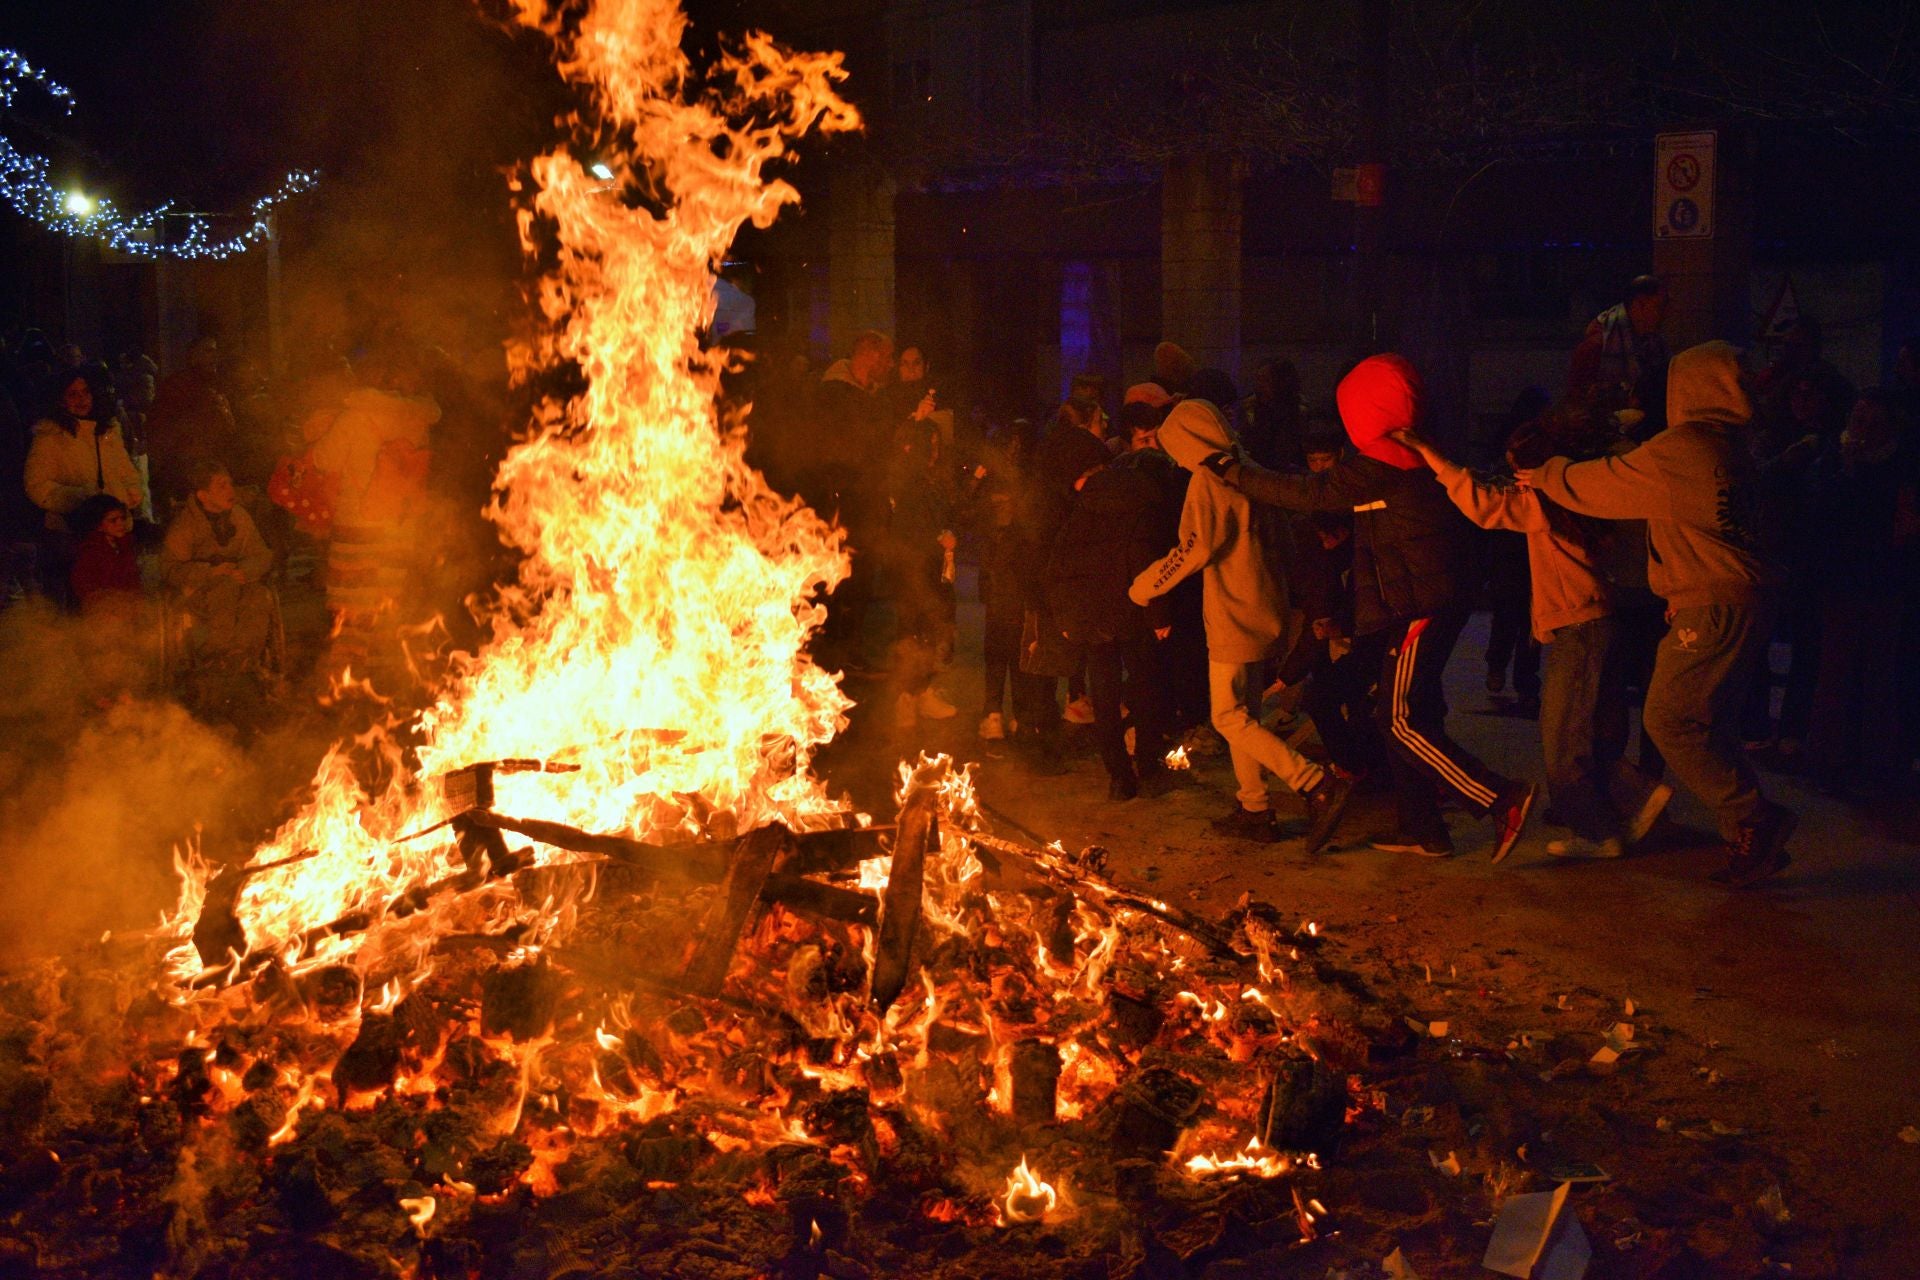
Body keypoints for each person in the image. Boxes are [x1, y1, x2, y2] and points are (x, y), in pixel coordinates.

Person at [1209, 355, 1538, 862]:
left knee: (1399, 719)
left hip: (1421, 603)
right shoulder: (1404, 451)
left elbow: (1312, 492)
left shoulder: (1387, 458)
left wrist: (1237, 471)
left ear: (1366, 407)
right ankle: (1423, 828)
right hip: (1418, 598)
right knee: (1411, 711)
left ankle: (1500, 799)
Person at [1523, 341, 1795, 887]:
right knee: (1707, 722)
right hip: (1738, 598)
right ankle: (1750, 836)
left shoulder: (1684, 447)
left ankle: (1755, 818)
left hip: (1713, 604)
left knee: (1671, 720)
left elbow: (1604, 486)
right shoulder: (1734, 449)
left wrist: (1548, 472)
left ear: (1687, 389)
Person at [1396, 409, 1672, 859]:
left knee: (1563, 740)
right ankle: (1634, 795)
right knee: (1589, 733)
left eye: (1517, 469)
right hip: (1595, 622)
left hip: (1578, 626)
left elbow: (1485, 505)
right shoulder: (1584, 496)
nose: (1513, 479)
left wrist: (1429, 453)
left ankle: (1600, 833)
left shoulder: (1545, 503)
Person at [1129, 399, 1353, 849]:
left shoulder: (1207, 481)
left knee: (1227, 717)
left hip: (1234, 611)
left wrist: (1147, 585)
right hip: (1265, 607)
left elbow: (1195, 548)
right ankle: (1255, 807)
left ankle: (1313, 783)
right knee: (1246, 715)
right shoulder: (1247, 469)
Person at [1048, 396, 1178, 799]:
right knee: (1145, 687)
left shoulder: (1080, 508)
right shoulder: (1143, 501)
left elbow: (1059, 569)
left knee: (1104, 697)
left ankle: (1119, 776)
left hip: (1092, 618)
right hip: (1134, 611)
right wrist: (1160, 614)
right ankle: (1150, 765)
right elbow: (1148, 561)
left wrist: (1068, 621)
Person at [1800, 391, 1918, 792]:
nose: (1861, 428)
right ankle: (1827, 761)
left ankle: (1876, 763)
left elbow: (1900, 528)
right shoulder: (1835, 460)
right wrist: (1845, 471)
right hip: (1841, 581)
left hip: (1885, 581)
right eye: (1858, 418)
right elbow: (1819, 516)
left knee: (1879, 674)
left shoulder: (1902, 466)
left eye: (1872, 421)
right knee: (1835, 670)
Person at [811, 331, 897, 671]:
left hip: (865, 507)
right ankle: (830, 656)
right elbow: (836, 454)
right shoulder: (833, 395)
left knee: (859, 583)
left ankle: (850, 652)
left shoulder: (871, 397)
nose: (889, 365)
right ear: (870, 356)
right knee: (837, 582)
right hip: (842, 508)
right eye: (887, 358)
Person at [24, 371, 146, 606]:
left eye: (85, 392)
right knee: (83, 604)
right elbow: (37, 484)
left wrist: (131, 491)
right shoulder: (51, 436)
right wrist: (77, 501)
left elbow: (127, 471)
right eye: (73, 394)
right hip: (73, 537)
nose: (81, 400)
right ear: (61, 399)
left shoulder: (107, 431)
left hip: (114, 532)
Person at [162, 461, 274, 671]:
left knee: (258, 595)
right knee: (224, 587)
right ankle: (216, 653)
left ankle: (245, 656)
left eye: (230, 484)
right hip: (198, 591)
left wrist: (245, 571)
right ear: (203, 495)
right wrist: (210, 572)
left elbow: (260, 554)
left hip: (237, 583)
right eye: (222, 486)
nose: (231, 490)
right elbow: (169, 569)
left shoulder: (239, 517)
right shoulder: (185, 526)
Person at [1568, 275, 1669, 435]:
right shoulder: (1597, 346)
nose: (1664, 315)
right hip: (1602, 433)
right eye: (1659, 307)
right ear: (1639, 304)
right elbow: (1575, 400)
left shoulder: (1652, 344)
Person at [146, 336, 238, 511]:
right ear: (193, 356)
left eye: (216, 351)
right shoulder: (177, 386)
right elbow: (162, 428)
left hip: (215, 466)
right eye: (208, 351)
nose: (215, 356)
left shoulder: (217, 387)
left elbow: (228, 428)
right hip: (186, 470)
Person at [67, 493, 142, 616]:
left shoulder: (125, 545)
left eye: (122, 518)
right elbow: (84, 587)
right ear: (98, 525)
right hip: (104, 614)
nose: (120, 523)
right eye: (113, 520)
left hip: (128, 610)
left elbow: (133, 579)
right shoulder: (90, 551)